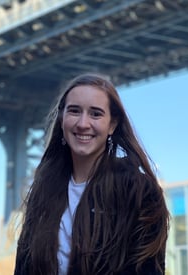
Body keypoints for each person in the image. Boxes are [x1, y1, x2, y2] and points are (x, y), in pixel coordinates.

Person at [14, 73, 170, 275]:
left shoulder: (139, 191)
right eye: (74, 111)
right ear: (62, 120)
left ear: (112, 125)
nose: (83, 123)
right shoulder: (43, 191)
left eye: (95, 114)